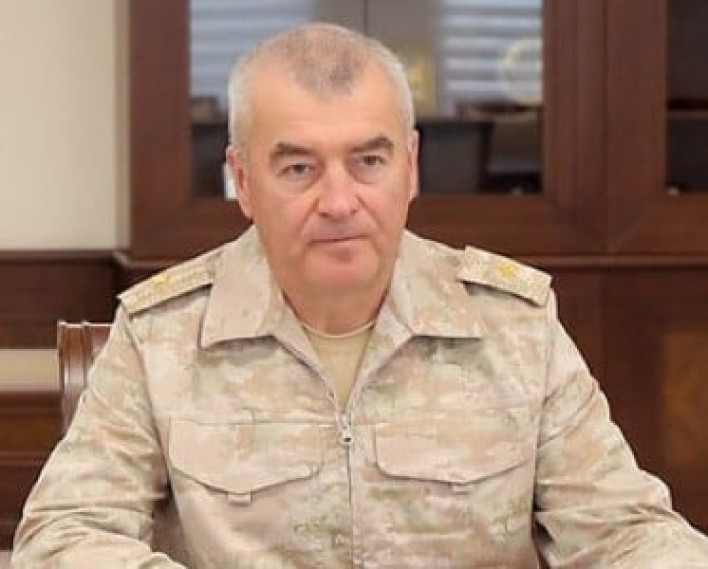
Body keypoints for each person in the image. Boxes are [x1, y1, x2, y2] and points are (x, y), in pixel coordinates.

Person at [11, 22, 708, 569]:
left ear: (411, 167)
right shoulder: (160, 337)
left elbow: (628, 532)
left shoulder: (513, 327)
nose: (339, 201)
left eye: (368, 161)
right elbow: (64, 536)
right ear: (243, 181)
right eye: (299, 168)